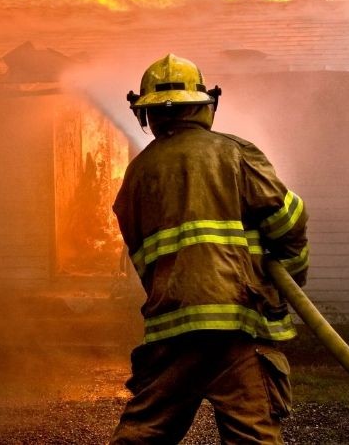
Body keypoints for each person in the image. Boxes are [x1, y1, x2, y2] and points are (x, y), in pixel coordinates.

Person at [110, 54, 309, 444]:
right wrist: (289, 283)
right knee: (253, 436)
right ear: (204, 105)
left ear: (146, 114)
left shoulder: (136, 175)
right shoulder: (234, 153)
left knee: (142, 435)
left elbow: (141, 256)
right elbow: (289, 221)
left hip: (172, 329)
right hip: (235, 326)